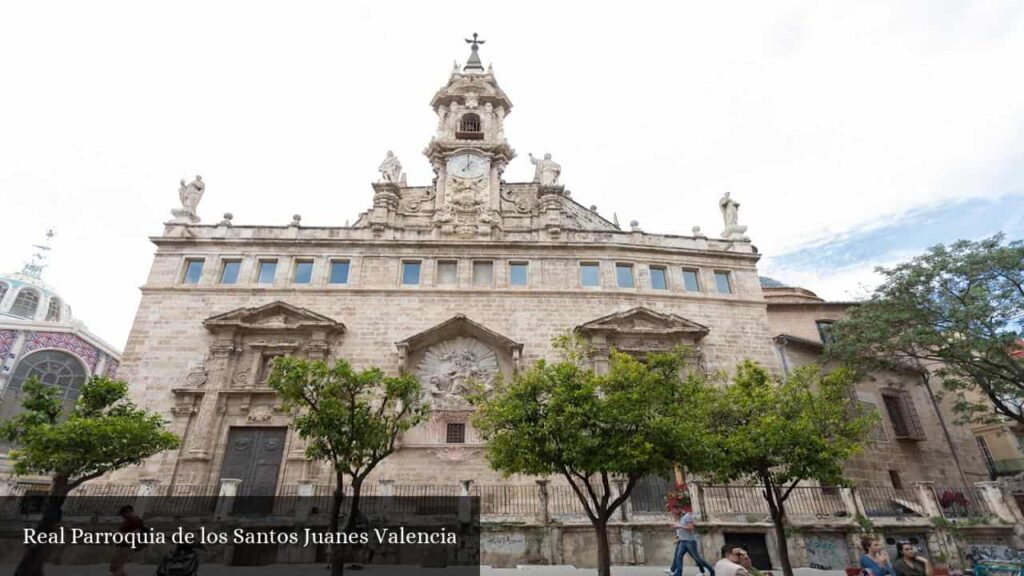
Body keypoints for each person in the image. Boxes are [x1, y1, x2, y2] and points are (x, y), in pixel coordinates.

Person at [666, 509, 715, 576]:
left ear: (677, 512)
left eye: (674, 514)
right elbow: (681, 530)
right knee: (678, 557)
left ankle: (711, 570)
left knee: (697, 559)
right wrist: (677, 534)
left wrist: (678, 526)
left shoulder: (687, 516)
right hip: (683, 541)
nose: (673, 516)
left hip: (690, 542)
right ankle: (678, 573)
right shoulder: (680, 518)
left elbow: (690, 527)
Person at [110, 505, 145, 576]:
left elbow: (135, 534)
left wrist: (120, 534)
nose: (122, 516)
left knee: (118, 567)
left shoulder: (136, 521)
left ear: (128, 512)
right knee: (113, 567)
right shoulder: (128, 521)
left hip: (127, 546)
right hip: (121, 545)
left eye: (123, 514)